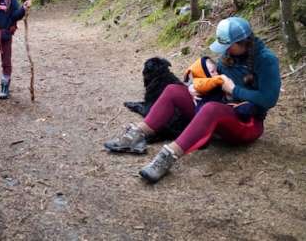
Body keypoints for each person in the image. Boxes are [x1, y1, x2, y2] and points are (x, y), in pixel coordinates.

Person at [104, 17, 281, 183]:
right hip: (216, 109)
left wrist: (234, 89)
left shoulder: (266, 60)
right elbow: (214, 80)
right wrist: (194, 86)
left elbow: (268, 99)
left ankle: (167, 156)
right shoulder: (229, 55)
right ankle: (136, 136)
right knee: (173, 90)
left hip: (246, 123)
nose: (224, 50)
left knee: (212, 108)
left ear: (242, 42)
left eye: (227, 46)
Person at [184, 56, 257, 119]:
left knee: (243, 108)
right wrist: (191, 87)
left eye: (216, 70)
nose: (216, 73)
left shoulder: (217, 75)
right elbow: (199, 83)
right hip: (205, 109)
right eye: (212, 72)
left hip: (223, 105)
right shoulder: (208, 80)